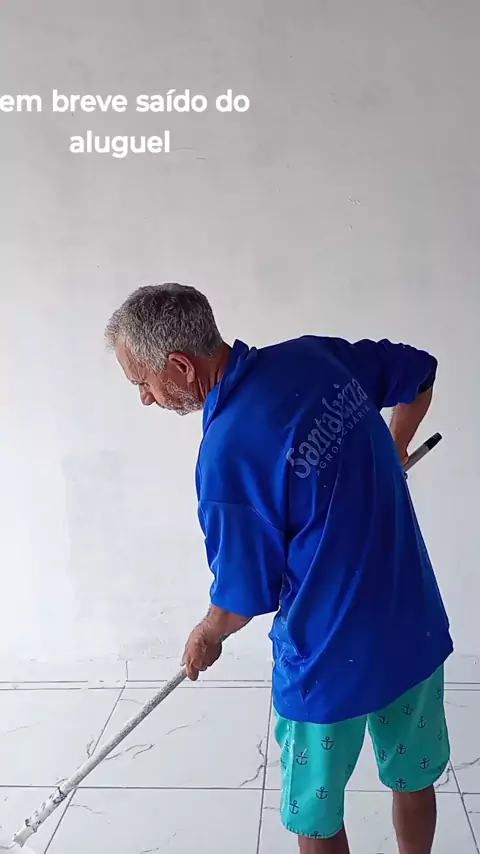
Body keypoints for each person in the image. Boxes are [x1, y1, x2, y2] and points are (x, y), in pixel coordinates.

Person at [105, 282, 453, 854]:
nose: (145, 397)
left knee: (315, 816)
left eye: (142, 381)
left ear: (181, 366)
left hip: (328, 655)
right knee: (413, 775)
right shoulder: (315, 356)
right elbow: (419, 374)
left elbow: (243, 594)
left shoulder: (227, 453)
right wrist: (396, 447)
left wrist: (207, 633)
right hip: (409, 619)